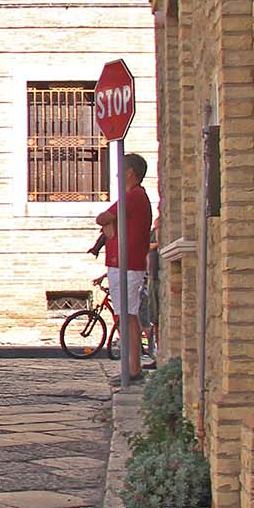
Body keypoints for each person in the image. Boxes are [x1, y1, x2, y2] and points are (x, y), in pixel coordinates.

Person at [96, 153, 153, 375]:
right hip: (124, 262)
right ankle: (132, 366)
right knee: (127, 316)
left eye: (121, 170)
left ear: (130, 172)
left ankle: (132, 368)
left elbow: (102, 218)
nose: (118, 174)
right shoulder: (134, 197)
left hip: (126, 264)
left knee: (127, 317)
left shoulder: (133, 196)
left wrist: (110, 227)